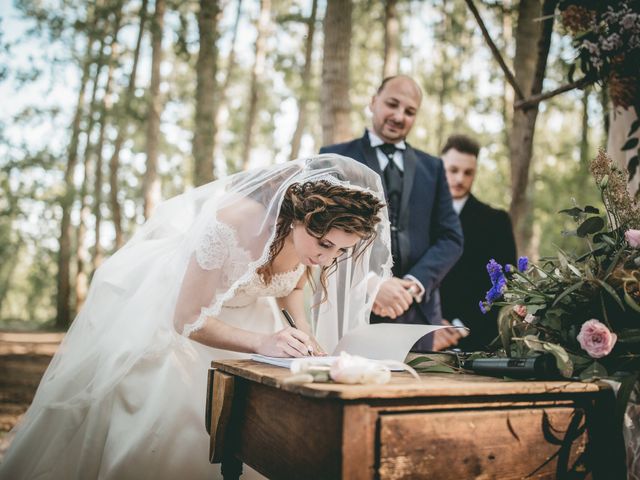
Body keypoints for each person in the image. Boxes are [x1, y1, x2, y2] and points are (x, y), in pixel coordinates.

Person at [0, 154, 392, 480]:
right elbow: (185, 319)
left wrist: (304, 333)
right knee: (178, 424)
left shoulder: (314, 245)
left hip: (254, 320)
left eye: (340, 251)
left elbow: (290, 286)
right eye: (323, 245)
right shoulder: (232, 221)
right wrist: (262, 342)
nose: (326, 258)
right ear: (297, 217)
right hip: (187, 318)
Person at [320, 75, 464, 351]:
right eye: (392, 104)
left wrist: (413, 284)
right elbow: (322, 232)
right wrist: (370, 286)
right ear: (373, 102)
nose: (399, 116)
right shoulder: (335, 158)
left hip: (417, 314)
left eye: (409, 112)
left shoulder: (432, 168)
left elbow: (451, 237)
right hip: (354, 309)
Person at [439, 134, 517, 351]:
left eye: (468, 172)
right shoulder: (418, 216)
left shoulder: (496, 221)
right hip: (421, 336)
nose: (459, 179)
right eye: (453, 170)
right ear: (440, 168)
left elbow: (504, 282)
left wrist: (460, 326)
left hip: (475, 340)